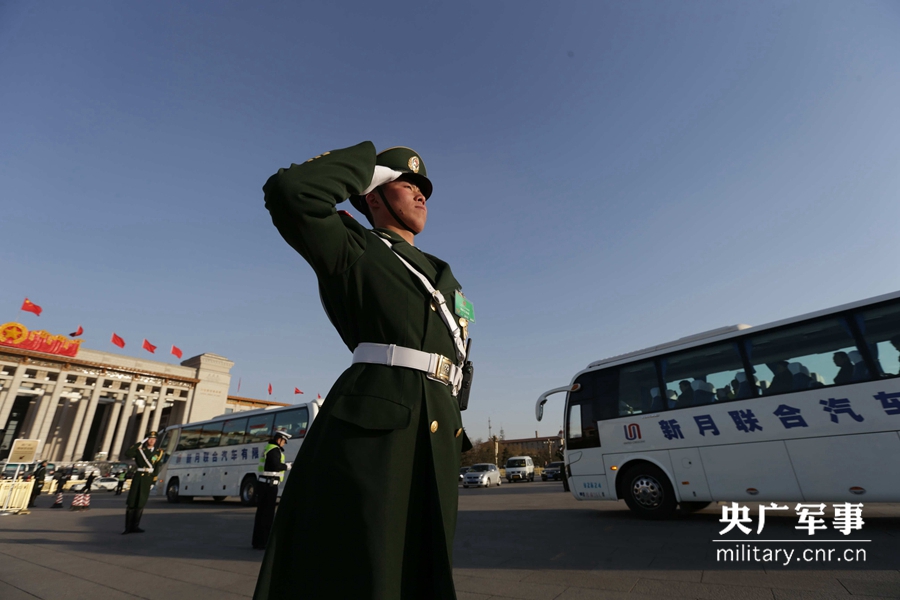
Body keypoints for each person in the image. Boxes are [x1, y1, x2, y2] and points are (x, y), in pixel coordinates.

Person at [254, 142, 473, 600]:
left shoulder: (442, 274)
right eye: (406, 184)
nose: (420, 195)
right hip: (377, 426)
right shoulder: (354, 247)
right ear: (373, 194)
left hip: (437, 432)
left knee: (425, 567)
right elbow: (289, 191)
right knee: (369, 567)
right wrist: (375, 167)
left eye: (423, 189)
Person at [252, 430, 291, 550]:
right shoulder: (274, 450)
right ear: (279, 439)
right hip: (269, 486)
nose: (284, 444)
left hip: (264, 484)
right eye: (284, 441)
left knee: (261, 514)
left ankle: (257, 541)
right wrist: (287, 466)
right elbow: (276, 466)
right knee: (267, 515)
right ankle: (263, 542)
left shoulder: (268, 447)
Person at [123, 431, 163, 534]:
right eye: (149, 438)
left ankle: (135, 526)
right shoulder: (139, 450)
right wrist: (140, 442)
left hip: (147, 479)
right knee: (132, 502)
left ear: (156, 441)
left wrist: (153, 481)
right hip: (138, 477)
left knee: (141, 503)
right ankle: (128, 527)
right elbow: (128, 453)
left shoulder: (159, 452)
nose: (152, 440)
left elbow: (157, 467)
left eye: (154, 439)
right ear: (146, 440)